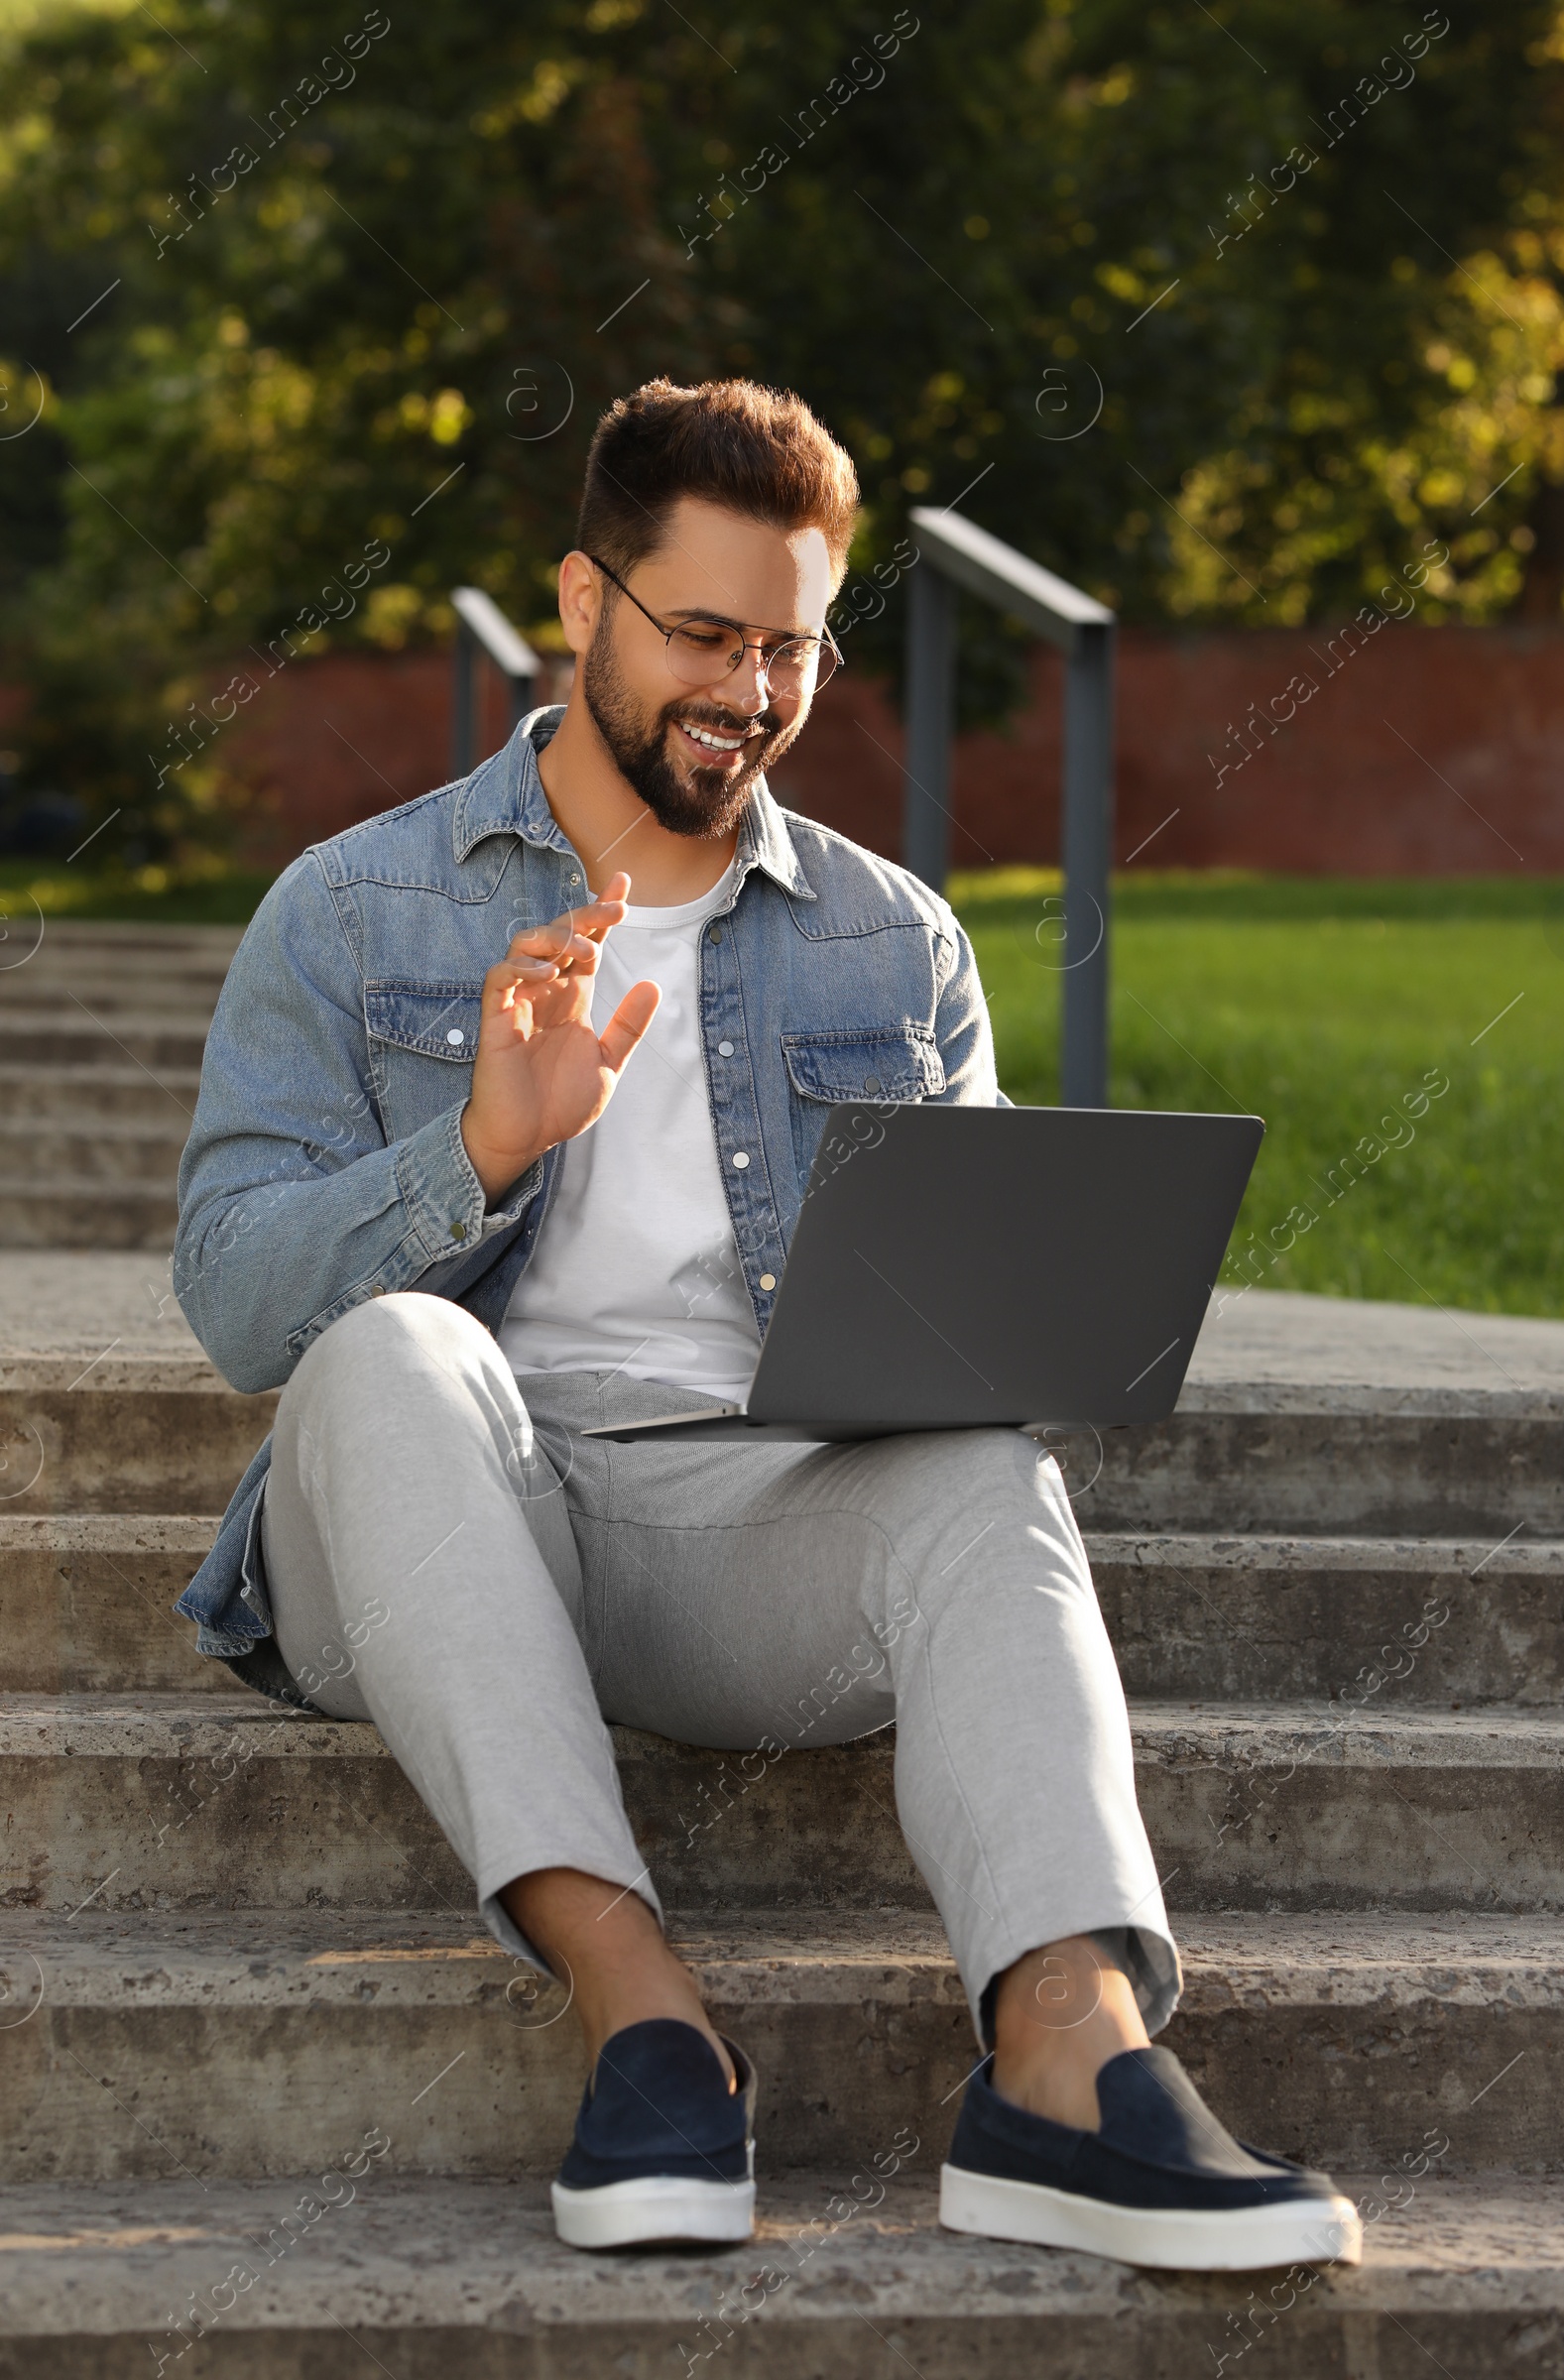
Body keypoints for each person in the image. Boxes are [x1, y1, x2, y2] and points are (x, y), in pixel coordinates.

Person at [176, 377, 1359, 2272]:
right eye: (704, 633)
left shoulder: (898, 941)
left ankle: (1069, 2060)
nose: (748, 689)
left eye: (789, 646)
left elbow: (966, 1320)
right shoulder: (351, 909)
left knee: (983, 1452)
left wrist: (1033, 1331)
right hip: (426, 1525)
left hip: (738, 1540)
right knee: (399, 1353)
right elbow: (236, 1300)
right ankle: (648, 2019)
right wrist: (476, 1152)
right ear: (581, 603)